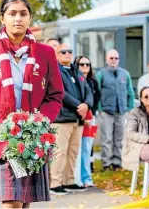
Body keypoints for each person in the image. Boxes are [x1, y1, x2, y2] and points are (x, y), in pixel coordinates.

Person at [0, 0, 64, 208]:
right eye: (12, 13)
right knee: (11, 203)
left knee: (25, 202)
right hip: (0, 139)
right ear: (2, 18)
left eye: (23, 13)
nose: (17, 18)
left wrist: (38, 124)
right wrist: (3, 126)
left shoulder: (46, 53)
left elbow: (55, 95)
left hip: (32, 140)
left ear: (29, 19)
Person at [50, 44, 93, 195]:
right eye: (63, 52)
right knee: (59, 151)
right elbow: (60, 92)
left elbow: (88, 90)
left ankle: (68, 181)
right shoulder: (55, 71)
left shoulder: (76, 71)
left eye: (70, 51)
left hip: (77, 118)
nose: (67, 54)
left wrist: (86, 105)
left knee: (73, 151)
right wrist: (78, 106)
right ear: (57, 55)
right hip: (62, 118)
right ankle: (55, 183)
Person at [95, 49, 135, 170]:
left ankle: (117, 163)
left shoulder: (125, 73)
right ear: (107, 59)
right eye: (111, 58)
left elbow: (130, 92)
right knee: (107, 138)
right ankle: (106, 163)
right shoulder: (100, 73)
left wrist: (129, 108)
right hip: (106, 111)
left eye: (116, 58)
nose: (114, 60)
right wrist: (100, 109)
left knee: (120, 138)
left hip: (122, 111)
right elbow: (97, 92)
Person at [74, 55, 100, 186]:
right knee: (76, 150)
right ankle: (76, 179)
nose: (85, 67)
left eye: (87, 65)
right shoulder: (73, 81)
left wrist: (91, 115)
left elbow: (96, 99)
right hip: (77, 119)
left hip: (91, 119)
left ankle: (87, 178)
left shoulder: (93, 82)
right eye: (82, 64)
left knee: (86, 149)